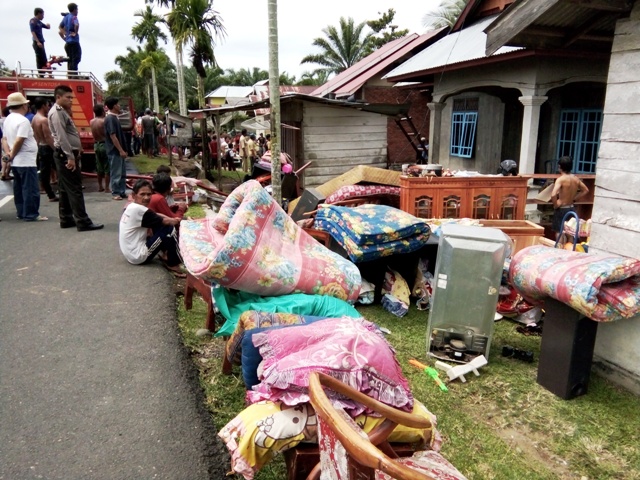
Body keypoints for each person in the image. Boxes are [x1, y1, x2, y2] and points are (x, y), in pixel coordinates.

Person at [48, 84, 103, 231]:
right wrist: (70, 156)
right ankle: (82, 221)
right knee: (75, 189)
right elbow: (61, 136)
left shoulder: (62, 111)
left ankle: (66, 218)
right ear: (58, 97)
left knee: (65, 189)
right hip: (65, 154)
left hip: (66, 153)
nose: (71, 100)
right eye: (68, 97)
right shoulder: (57, 113)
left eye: (71, 97)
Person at [119, 179, 184, 277]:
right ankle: (173, 263)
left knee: (160, 226)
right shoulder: (139, 209)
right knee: (169, 229)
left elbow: (156, 215)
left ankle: (166, 254)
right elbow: (167, 222)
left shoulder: (132, 206)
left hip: (129, 252)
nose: (146, 197)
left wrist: (170, 218)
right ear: (134, 195)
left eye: (149, 194)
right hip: (138, 256)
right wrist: (177, 219)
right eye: (142, 194)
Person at [3, 93, 48, 221]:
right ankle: (31, 213)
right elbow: (19, 140)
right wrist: (12, 154)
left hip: (16, 161)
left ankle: (21, 212)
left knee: (19, 188)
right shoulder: (23, 121)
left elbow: (4, 139)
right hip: (25, 160)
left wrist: (8, 154)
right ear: (24, 105)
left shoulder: (8, 119)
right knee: (30, 188)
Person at [551, 156, 590, 239]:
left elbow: (553, 194)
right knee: (570, 232)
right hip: (571, 208)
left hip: (562, 208)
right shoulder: (575, 179)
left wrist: (556, 204)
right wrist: (574, 198)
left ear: (560, 167)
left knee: (559, 231)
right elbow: (586, 190)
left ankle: (559, 249)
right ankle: (570, 249)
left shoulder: (561, 179)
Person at [31, 97, 59, 202]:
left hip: (41, 147)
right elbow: (48, 137)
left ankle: (50, 193)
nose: (48, 107)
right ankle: (57, 192)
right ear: (43, 105)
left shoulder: (34, 119)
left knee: (45, 172)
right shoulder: (43, 120)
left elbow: (35, 135)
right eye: (47, 105)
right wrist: (56, 149)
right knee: (59, 170)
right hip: (48, 148)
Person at [104, 97, 128, 201]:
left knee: (122, 173)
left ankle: (121, 191)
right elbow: (113, 136)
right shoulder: (110, 119)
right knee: (116, 172)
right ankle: (116, 192)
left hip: (118, 151)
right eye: (118, 104)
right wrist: (120, 150)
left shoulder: (115, 117)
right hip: (114, 151)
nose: (119, 106)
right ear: (114, 106)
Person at [90, 104, 110, 193]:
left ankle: (100, 186)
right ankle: (107, 188)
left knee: (99, 167)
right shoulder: (104, 121)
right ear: (102, 111)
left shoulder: (92, 121)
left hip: (96, 144)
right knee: (107, 167)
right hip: (104, 144)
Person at [58, 3, 81, 76]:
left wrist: (65, 34)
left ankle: (70, 74)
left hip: (68, 42)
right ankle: (74, 75)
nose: (77, 11)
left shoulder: (66, 17)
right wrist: (76, 32)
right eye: (77, 9)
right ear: (74, 9)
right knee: (76, 58)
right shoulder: (74, 17)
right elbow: (76, 25)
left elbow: (60, 27)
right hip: (74, 42)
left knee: (70, 59)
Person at [30, 8, 51, 76]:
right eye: (42, 14)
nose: (43, 16)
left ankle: (43, 73)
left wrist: (48, 25)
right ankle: (40, 74)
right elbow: (32, 31)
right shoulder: (33, 21)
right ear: (39, 13)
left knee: (44, 58)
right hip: (37, 42)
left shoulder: (39, 22)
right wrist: (37, 41)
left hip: (41, 42)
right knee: (40, 58)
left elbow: (47, 27)